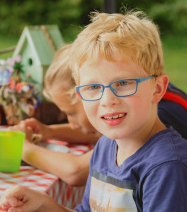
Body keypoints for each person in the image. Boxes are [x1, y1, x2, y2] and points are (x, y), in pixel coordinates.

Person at [0, 11, 187, 212]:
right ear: (80, 95)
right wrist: (41, 202)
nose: (108, 99)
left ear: (158, 89)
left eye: (123, 83)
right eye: (93, 87)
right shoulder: (106, 147)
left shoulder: (166, 166)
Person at [11, 43, 187, 186]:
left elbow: (76, 172)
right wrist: (50, 131)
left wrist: (24, 148)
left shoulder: (156, 117)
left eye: (71, 113)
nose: (71, 122)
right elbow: (96, 133)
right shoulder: (142, 100)